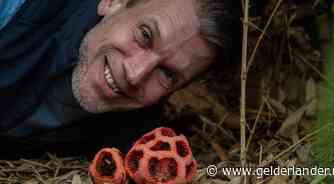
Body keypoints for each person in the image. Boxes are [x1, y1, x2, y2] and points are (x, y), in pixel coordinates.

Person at [0, 0, 240, 157]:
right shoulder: (13, 11)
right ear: (113, 3)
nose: (135, 74)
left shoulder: (137, 140)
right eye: (145, 35)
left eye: (168, 74)